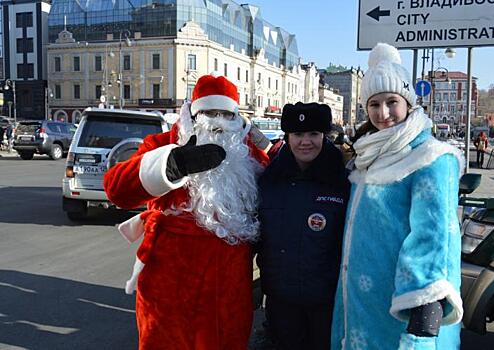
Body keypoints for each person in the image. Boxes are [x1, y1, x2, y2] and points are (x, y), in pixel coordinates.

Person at [103, 74, 269, 350]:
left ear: (237, 119)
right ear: (193, 113)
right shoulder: (165, 143)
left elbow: (290, 174)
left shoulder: (246, 153)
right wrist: (171, 165)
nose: (216, 121)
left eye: (225, 114)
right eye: (208, 112)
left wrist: (261, 140)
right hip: (171, 286)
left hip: (229, 292)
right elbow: (116, 189)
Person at [331, 43, 464, 350]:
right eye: (374, 104)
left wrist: (422, 300)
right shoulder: (368, 154)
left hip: (401, 306)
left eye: (392, 101)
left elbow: (435, 234)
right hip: (359, 301)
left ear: (408, 102)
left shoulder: (431, 157)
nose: (384, 113)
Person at [256, 102, 350, 350]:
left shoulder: (344, 181)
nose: (305, 141)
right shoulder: (269, 180)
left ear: (324, 136)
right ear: (287, 137)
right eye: (298, 134)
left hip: (327, 303)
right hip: (281, 302)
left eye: (313, 134)